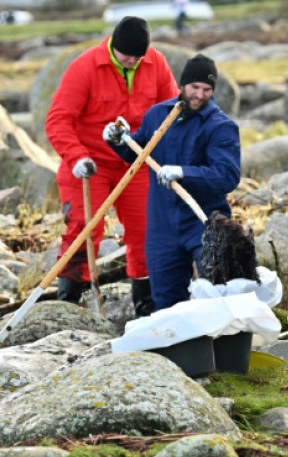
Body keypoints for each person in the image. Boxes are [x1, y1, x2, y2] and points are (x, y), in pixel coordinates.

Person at [45, 16, 179, 317]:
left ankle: (147, 307)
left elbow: (171, 112)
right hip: (89, 164)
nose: (132, 61)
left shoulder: (156, 63)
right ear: (113, 46)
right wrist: (77, 157)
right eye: (126, 56)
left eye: (138, 57)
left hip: (135, 162)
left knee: (147, 232)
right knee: (83, 228)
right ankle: (67, 305)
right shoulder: (84, 67)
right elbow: (58, 120)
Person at [103, 54, 241, 311]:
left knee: (218, 291)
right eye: (195, 87)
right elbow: (138, 152)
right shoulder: (158, 116)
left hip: (204, 220)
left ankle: (223, 336)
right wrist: (119, 140)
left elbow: (228, 176)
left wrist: (184, 173)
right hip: (161, 225)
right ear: (182, 84)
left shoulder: (221, 126)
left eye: (207, 89)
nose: (199, 95)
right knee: (166, 301)